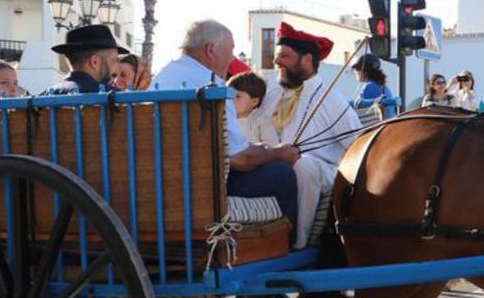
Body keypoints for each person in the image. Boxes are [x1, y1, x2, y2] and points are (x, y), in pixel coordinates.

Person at [153, 20, 301, 244]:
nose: (232, 58)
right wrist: (278, 153)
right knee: (282, 174)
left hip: (159, 187)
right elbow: (241, 159)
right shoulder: (210, 87)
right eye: (231, 49)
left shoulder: (161, 78)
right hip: (201, 191)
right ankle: (280, 248)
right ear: (211, 50)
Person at [249, 21, 362, 245]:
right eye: (277, 55)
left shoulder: (332, 100)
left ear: (307, 60)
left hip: (320, 173)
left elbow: (358, 144)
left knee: (302, 165)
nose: (276, 61)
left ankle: (298, 245)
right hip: (274, 166)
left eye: (285, 56)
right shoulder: (271, 96)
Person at [40, 25, 127, 95]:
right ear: (95, 62)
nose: (117, 69)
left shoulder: (45, 95)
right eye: (114, 60)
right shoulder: (115, 97)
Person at [349, 52, 399, 124]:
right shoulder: (383, 87)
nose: (355, 72)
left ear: (364, 71)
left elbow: (358, 111)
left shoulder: (370, 87)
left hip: (380, 126)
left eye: (357, 69)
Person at [227, 70, 267, 141]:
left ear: (254, 101)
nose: (231, 100)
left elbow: (272, 146)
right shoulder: (225, 121)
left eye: (237, 96)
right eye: (229, 95)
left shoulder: (260, 122)